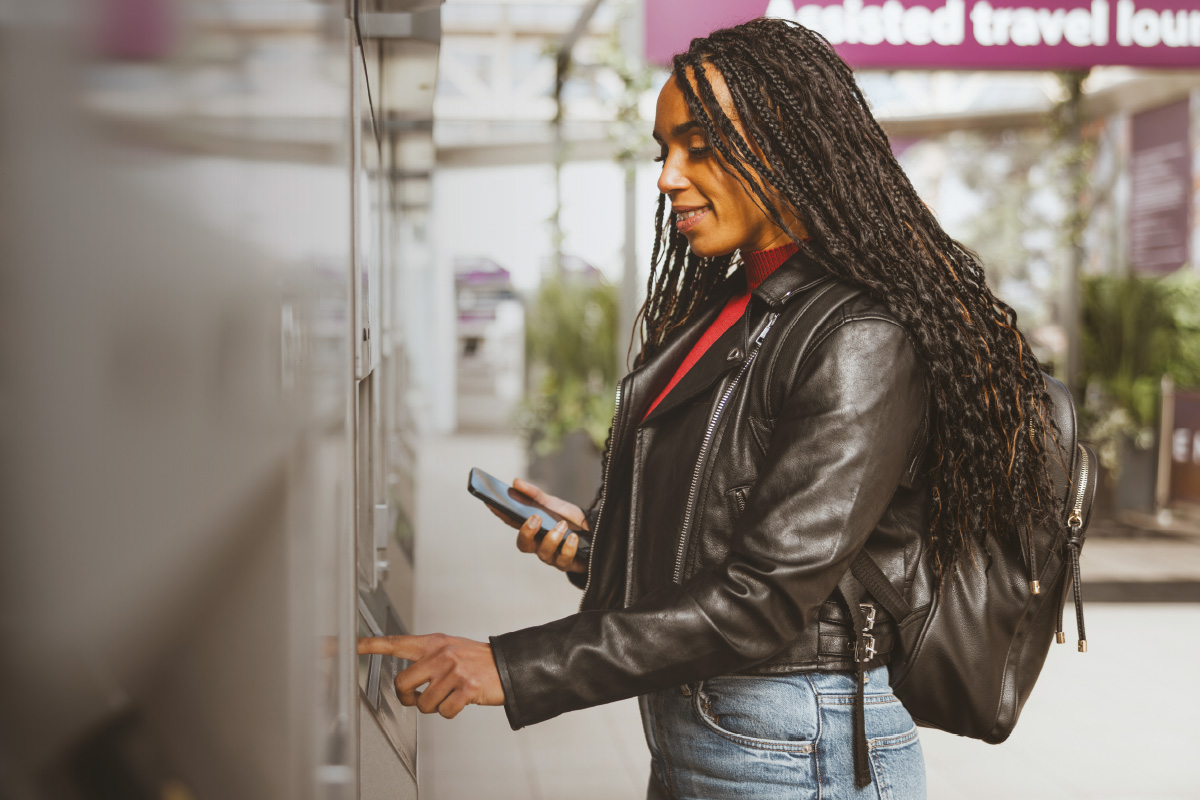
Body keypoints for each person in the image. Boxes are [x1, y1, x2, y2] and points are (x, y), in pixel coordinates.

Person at [359, 17, 1061, 800]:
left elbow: (765, 598)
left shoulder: (859, 336)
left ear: (789, 144)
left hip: (792, 744)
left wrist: (515, 665)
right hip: (715, 723)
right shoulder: (738, 304)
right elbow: (737, 522)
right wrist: (599, 551)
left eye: (701, 146)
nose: (669, 177)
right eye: (666, 150)